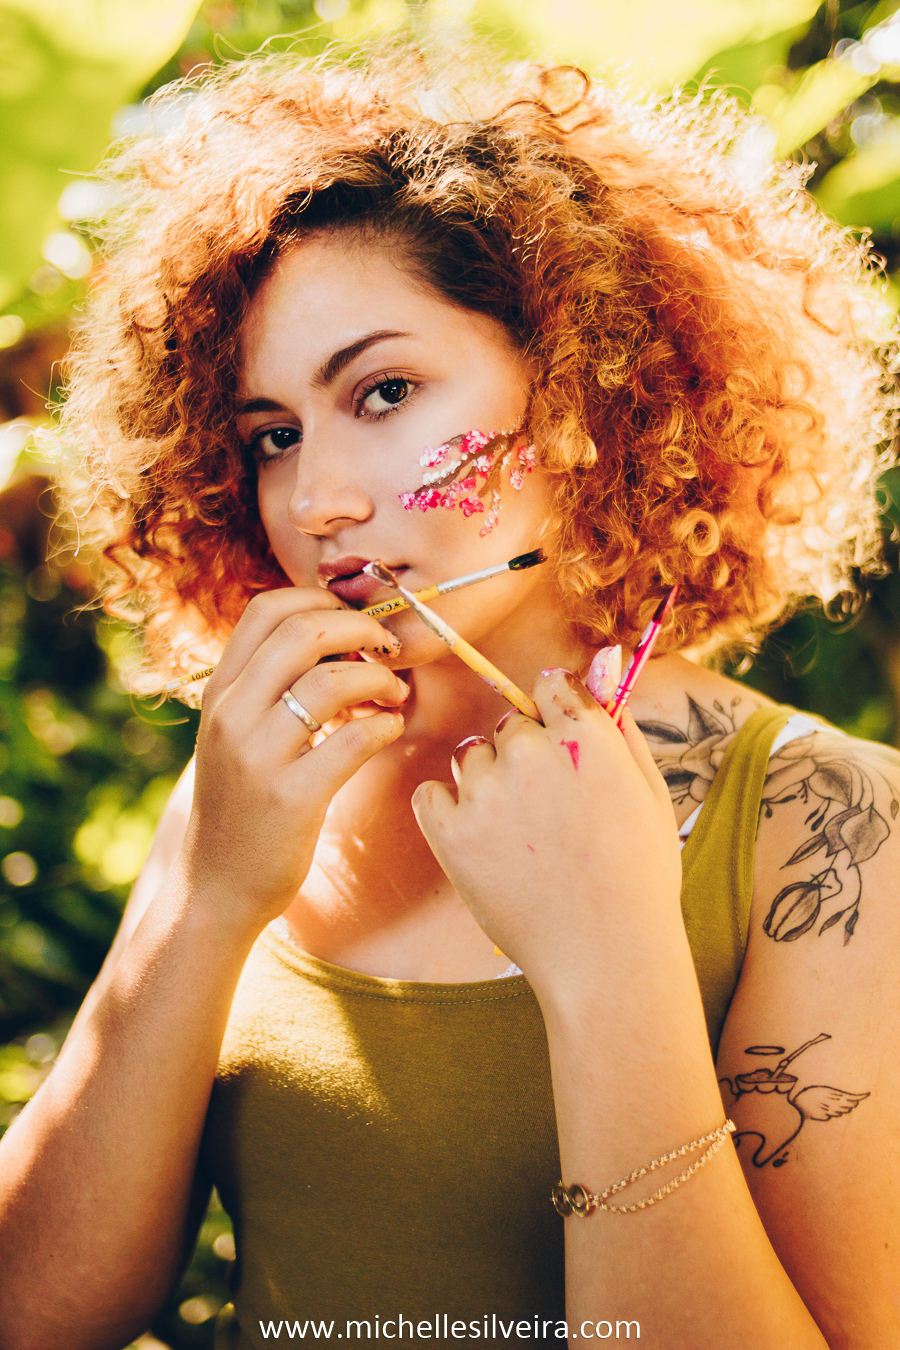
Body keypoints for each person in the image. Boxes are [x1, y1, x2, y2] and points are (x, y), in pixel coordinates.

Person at [1, 39, 898, 1350]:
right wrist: (206, 896)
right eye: (272, 437)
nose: (317, 501)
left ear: (582, 388)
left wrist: (610, 963)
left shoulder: (835, 829)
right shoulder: (264, 787)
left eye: (384, 391)